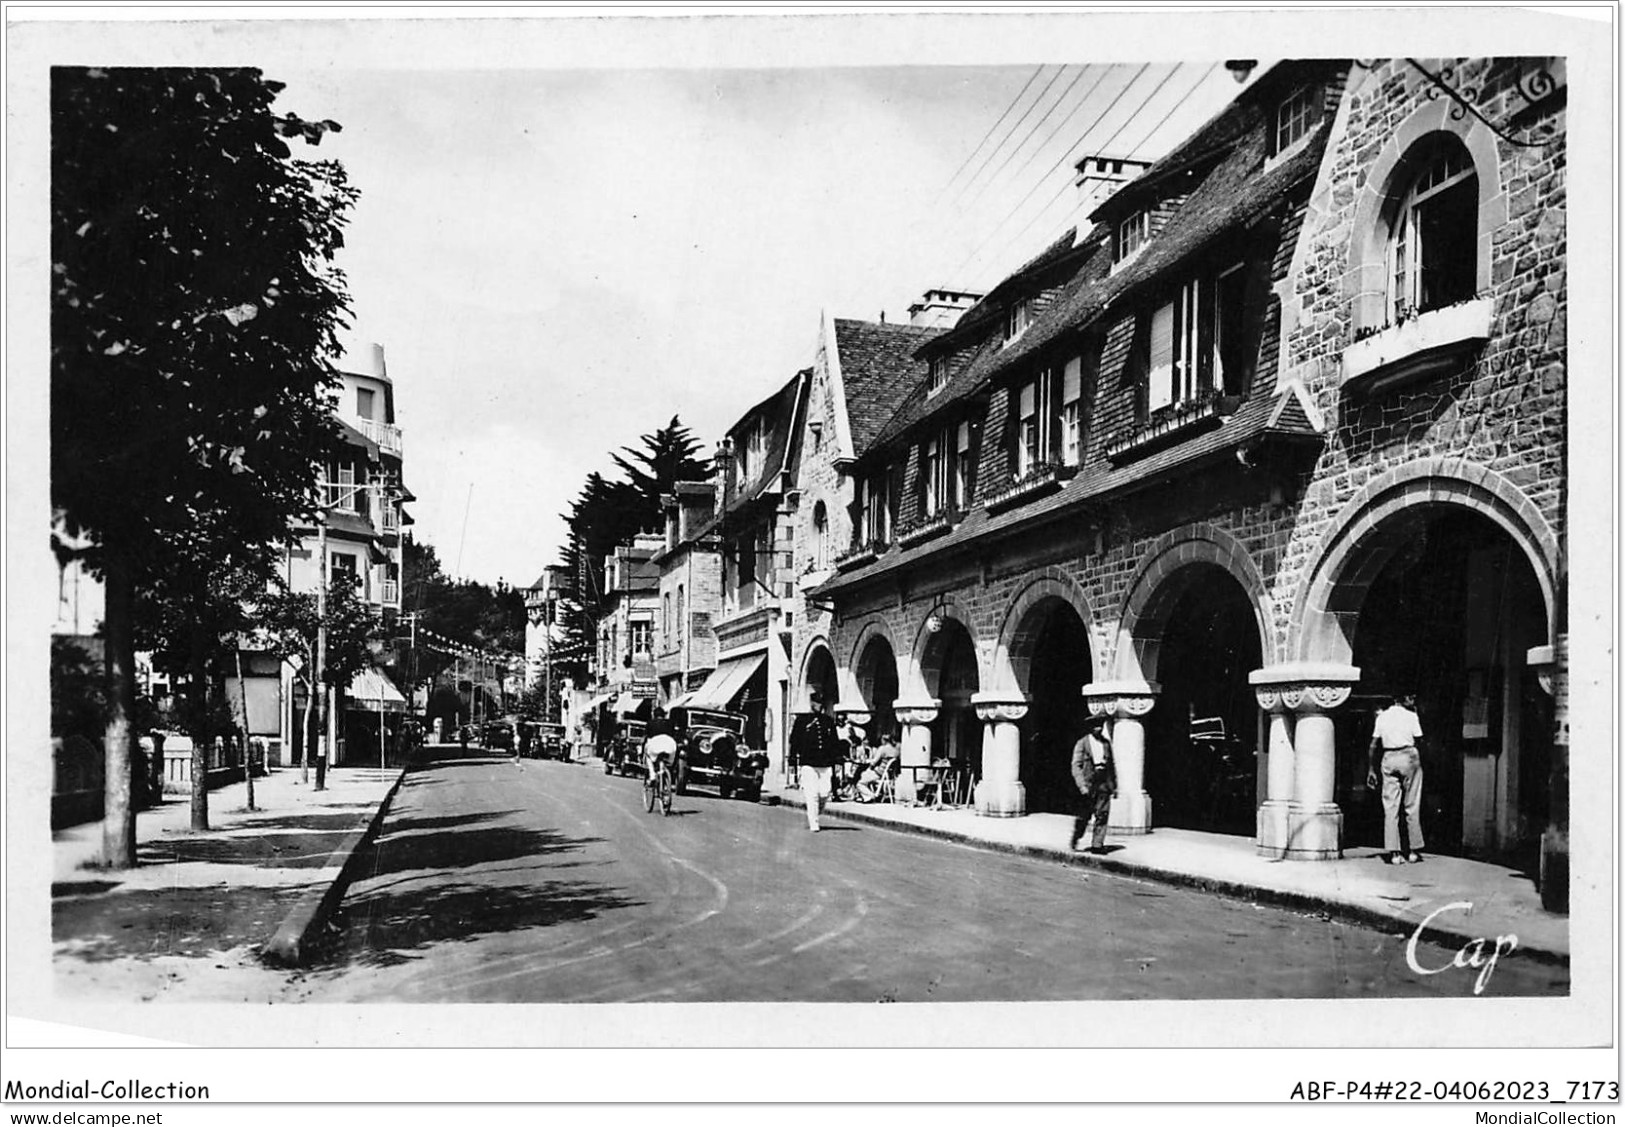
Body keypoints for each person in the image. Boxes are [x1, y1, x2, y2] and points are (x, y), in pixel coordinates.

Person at [1367, 692, 1425, 864]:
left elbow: (1373, 745)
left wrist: (1371, 769)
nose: (1413, 699)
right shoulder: (1412, 716)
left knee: (1390, 806)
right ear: (1404, 698)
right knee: (1412, 804)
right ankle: (1414, 850)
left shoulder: (1382, 717)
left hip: (1389, 757)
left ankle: (1394, 853)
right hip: (1409, 755)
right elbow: (1419, 738)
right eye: (1411, 697)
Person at [789, 688, 842, 831]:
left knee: (825, 793)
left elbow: (834, 742)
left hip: (825, 763)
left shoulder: (829, 722)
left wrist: (837, 761)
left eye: (821, 703)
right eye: (817, 702)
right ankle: (814, 822)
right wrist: (793, 761)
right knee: (812, 794)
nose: (819, 705)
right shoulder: (802, 721)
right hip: (808, 762)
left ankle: (815, 814)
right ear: (811, 703)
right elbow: (794, 742)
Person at [1070, 712, 1116, 854]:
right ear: (1090, 728)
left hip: (1102, 782)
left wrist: (1114, 786)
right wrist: (1081, 785)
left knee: (1102, 814)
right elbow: (1075, 765)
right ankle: (1076, 836)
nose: (1099, 729)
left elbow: (1111, 766)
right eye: (1095, 726)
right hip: (1088, 782)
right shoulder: (1082, 743)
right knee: (1084, 816)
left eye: (1101, 726)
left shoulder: (1106, 744)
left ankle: (1097, 844)